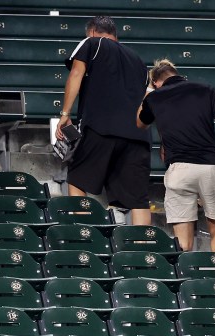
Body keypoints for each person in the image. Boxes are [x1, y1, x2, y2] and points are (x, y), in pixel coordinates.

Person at [55, 16, 151, 225]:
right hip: (138, 137)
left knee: (77, 179)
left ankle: (83, 234)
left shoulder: (91, 43)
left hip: (100, 127)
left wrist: (65, 114)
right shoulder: (139, 61)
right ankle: (144, 251)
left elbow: (76, 74)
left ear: (92, 32)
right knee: (139, 201)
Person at [136, 59, 215, 253]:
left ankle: (188, 280)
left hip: (179, 169)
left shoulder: (155, 97)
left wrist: (149, 89)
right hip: (211, 167)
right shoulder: (205, 89)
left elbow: (140, 123)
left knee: (183, 241)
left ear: (156, 81)